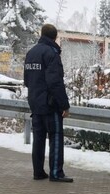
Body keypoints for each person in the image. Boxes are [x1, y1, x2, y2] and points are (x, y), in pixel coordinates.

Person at [24, 24, 72, 182]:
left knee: (38, 139)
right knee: (56, 137)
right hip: (50, 105)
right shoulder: (52, 53)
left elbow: (26, 80)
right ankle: (56, 173)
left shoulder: (31, 53)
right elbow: (55, 82)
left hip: (35, 103)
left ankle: (38, 172)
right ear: (55, 37)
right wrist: (64, 105)